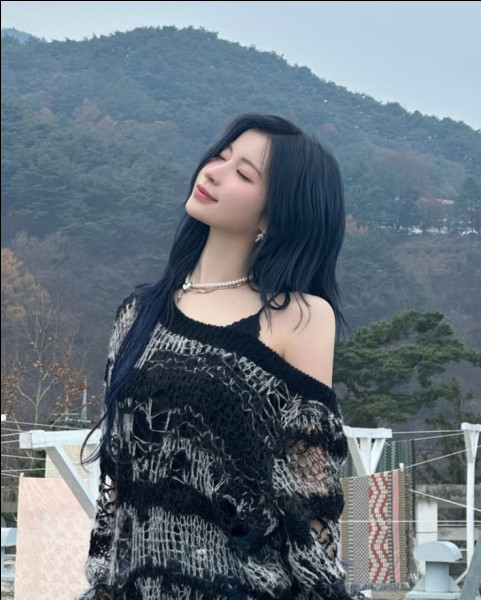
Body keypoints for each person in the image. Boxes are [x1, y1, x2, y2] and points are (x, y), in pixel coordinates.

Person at [76, 113, 352, 600]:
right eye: (220, 156)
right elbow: (116, 476)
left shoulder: (299, 317)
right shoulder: (138, 314)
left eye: (243, 173)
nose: (213, 172)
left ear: (275, 215)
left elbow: (310, 497)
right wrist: (101, 583)